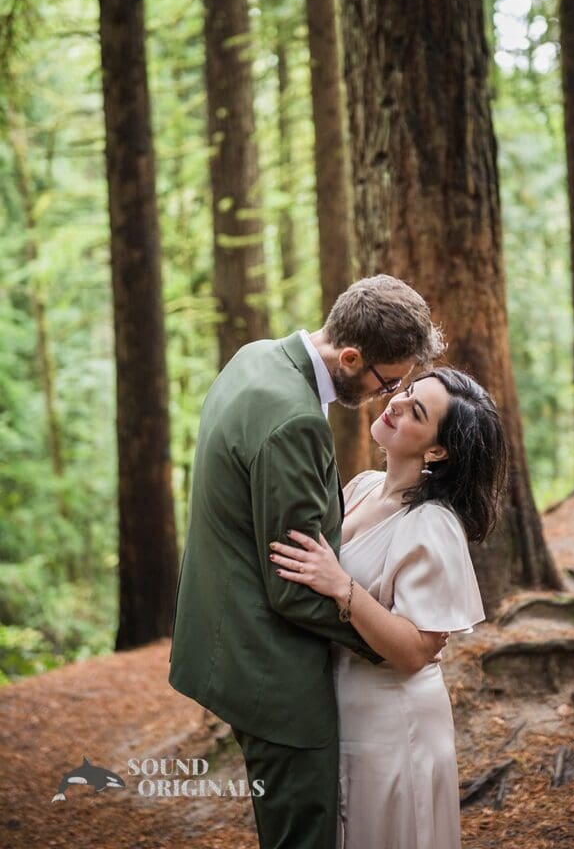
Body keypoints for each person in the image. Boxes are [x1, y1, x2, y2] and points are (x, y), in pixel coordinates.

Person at [168, 274, 445, 849]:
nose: (388, 396)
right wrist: (397, 645)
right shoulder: (295, 420)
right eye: (387, 381)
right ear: (350, 357)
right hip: (274, 676)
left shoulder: (256, 358)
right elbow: (294, 586)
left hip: (228, 642)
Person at [268, 367, 507, 849]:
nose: (396, 403)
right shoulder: (362, 487)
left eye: (416, 411)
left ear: (437, 451)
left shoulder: (432, 523)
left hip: (397, 725)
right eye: (408, 391)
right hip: (344, 713)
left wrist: (342, 587)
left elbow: (418, 650)